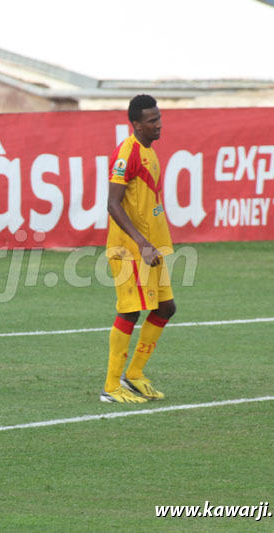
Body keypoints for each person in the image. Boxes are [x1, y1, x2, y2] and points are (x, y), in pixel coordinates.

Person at [100, 94, 176, 403]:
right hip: (129, 250)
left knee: (165, 308)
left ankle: (133, 375)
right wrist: (142, 243)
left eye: (159, 118)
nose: (159, 124)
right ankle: (111, 387)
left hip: (149, 248)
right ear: (136, 124)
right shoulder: (127, 153)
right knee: (130, 311)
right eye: (152, 120)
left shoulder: (149, 151)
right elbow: (112, 204)